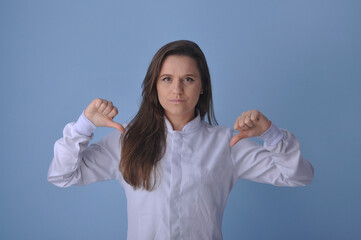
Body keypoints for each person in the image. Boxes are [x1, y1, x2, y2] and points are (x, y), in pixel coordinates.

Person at [47, 40, 314, 240]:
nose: (177, 89)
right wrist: (84, 124)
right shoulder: (127, 141)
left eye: (188, 79)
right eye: (167, 79)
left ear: (202, 86)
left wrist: (270, 133)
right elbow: (62, 176)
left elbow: (298, 175)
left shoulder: (226, 145)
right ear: (154, 86)